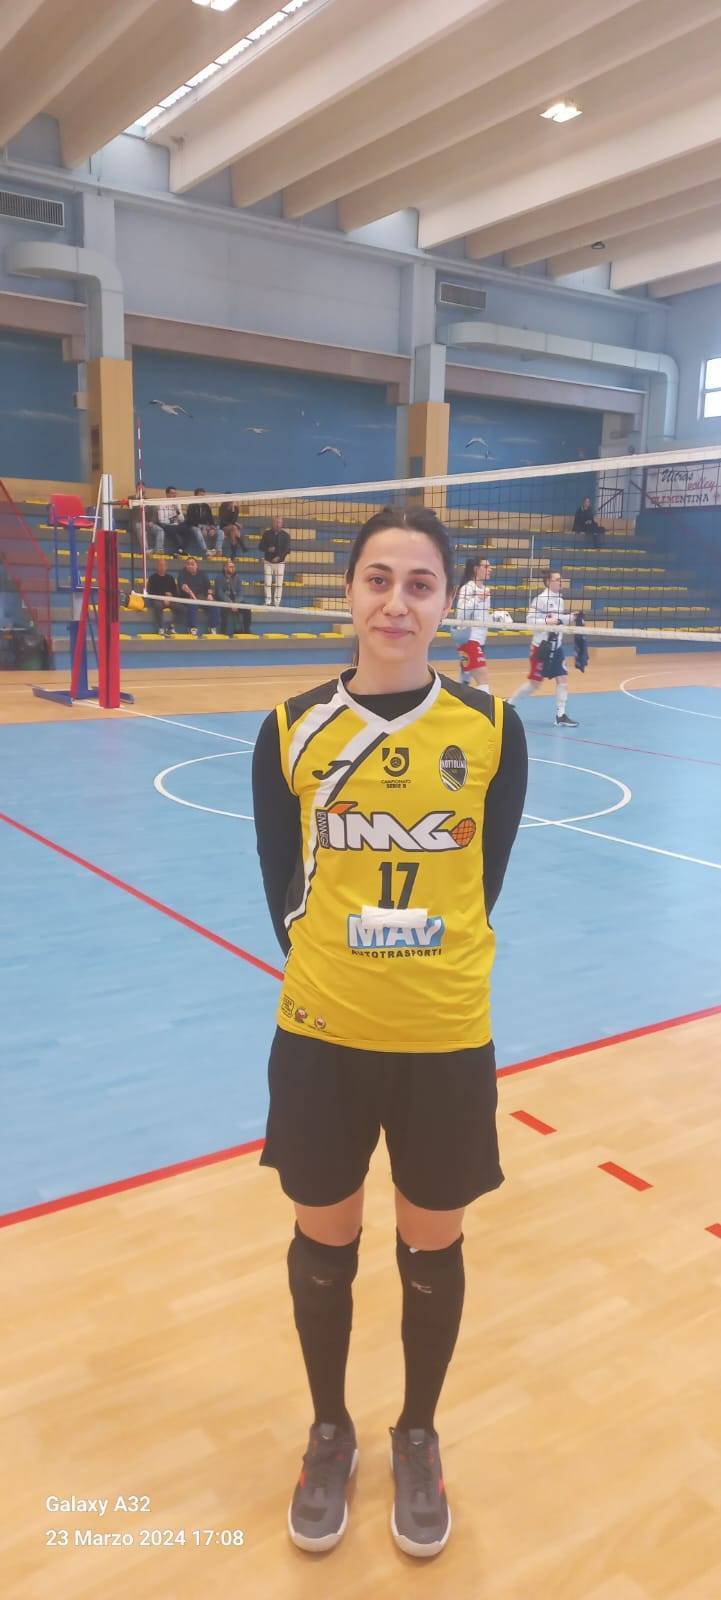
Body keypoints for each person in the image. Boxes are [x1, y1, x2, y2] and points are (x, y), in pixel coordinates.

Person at [252, 505, 527, 1559]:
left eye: (419, 583)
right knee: (324, 1247)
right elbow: (279, 889)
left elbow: (482, 882)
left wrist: (413, 949)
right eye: (378, 579)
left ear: (445, 601)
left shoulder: (490, 730)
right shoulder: (290, 728)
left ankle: (417, 1432)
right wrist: (354, 950)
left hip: (444, 1039)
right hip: (323, 1035)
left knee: (430, 1246)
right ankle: (331, 1430)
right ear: (349, 593)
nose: (396, 602)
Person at [508, 569, 579, 726]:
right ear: (548, 582)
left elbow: (558, 619)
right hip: (541, 648)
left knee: (562, 679)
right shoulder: (540, 599)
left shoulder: (560, 599)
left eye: (561, 579)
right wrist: (547, 622)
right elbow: (530, 620)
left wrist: (571, 617)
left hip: (556, 647)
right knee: (534, 683)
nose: (560, 582)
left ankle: (560, 715)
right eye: (557, 579)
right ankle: (510, 702)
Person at [453, 556, 492, 691]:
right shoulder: (467, 588)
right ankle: (487, 704)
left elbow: (482, 617)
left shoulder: (486, 590)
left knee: (465, 679)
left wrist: (497, 618)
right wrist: (477, 599)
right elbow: (461, 614)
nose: (490, 569)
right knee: (483, 679)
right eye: (486, 566)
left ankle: (458, 701)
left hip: (480, 640)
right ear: (476, 569)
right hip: (469, 639)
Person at [177, 556, 215, 636]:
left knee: (214, 605)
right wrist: (192, 595)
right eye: (188, 564)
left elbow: (208, 586)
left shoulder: (203, 574)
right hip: (188, 597)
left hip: (201, 597)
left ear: (197, 565)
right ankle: (192, 627)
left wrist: (209, 595)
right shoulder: (182, 573)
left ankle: (212, 627)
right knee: (192, 605)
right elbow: (183, 586)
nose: (190, 566)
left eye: (192, 564)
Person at [259, 514, 291, 605]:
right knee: (267, 582)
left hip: (280, 563)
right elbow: (260, 546)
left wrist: (279, 557)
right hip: (268, 562)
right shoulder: (266, 533)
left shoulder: (286, 536)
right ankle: (268, 602)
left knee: (279, 584)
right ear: (272, 523)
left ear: (282, 524)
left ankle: (277, 603)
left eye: (279, 522)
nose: (278, 524)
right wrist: (268, 549)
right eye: (276, 522)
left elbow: (287, 550)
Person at [145, 556, 180, 636]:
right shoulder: (152, 578)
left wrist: (171, 595)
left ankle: (171, 626)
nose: (162, 567)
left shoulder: (170, 578)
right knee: (157, 606)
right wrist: (163, 598)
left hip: (169, 600)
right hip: (158, 600)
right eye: (160, 565)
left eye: (164, 565)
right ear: (157, 567)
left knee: (181, 608)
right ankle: (161, 628)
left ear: (166, 567)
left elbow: (175, 592)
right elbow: (150, 592)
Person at [214, 560, 251, 636]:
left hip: (236, 601)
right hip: (224, 601)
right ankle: (223, 632)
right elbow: (220, 593)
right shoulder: (219, 578)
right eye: (230, 566)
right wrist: (230, 603)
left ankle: (247, 630)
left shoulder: (237, 577)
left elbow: (240, 592)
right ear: (225, 568)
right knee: (223, 609)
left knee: (247, 608)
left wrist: (236, 603)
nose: (233, 568)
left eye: (233, 567)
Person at [155, 487, 190, 556]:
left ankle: (180, 550)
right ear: (167, 494)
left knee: (188, 530)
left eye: (175, 493)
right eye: (172, 493)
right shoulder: (161, 503)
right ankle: (179, 550)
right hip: (166, 525)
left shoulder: (177, 503)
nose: (174, 495)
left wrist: (177, 510)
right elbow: (161, 519)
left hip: (176, 525)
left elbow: (182, 519)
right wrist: (172, 519)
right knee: (172, 530)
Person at [185, 489, 219, 555]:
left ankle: (217, 550)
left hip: (205, 526)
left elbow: (210, 519)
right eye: (200, 495)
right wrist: (201, 527)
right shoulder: (191, 506)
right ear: (195, 496)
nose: (202, 496)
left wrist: (212, 528)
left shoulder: (206, 506)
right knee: (197, 530)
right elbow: (190, 520)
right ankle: (205, 550)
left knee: (220, 531)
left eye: (203, 495)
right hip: (193, 526)